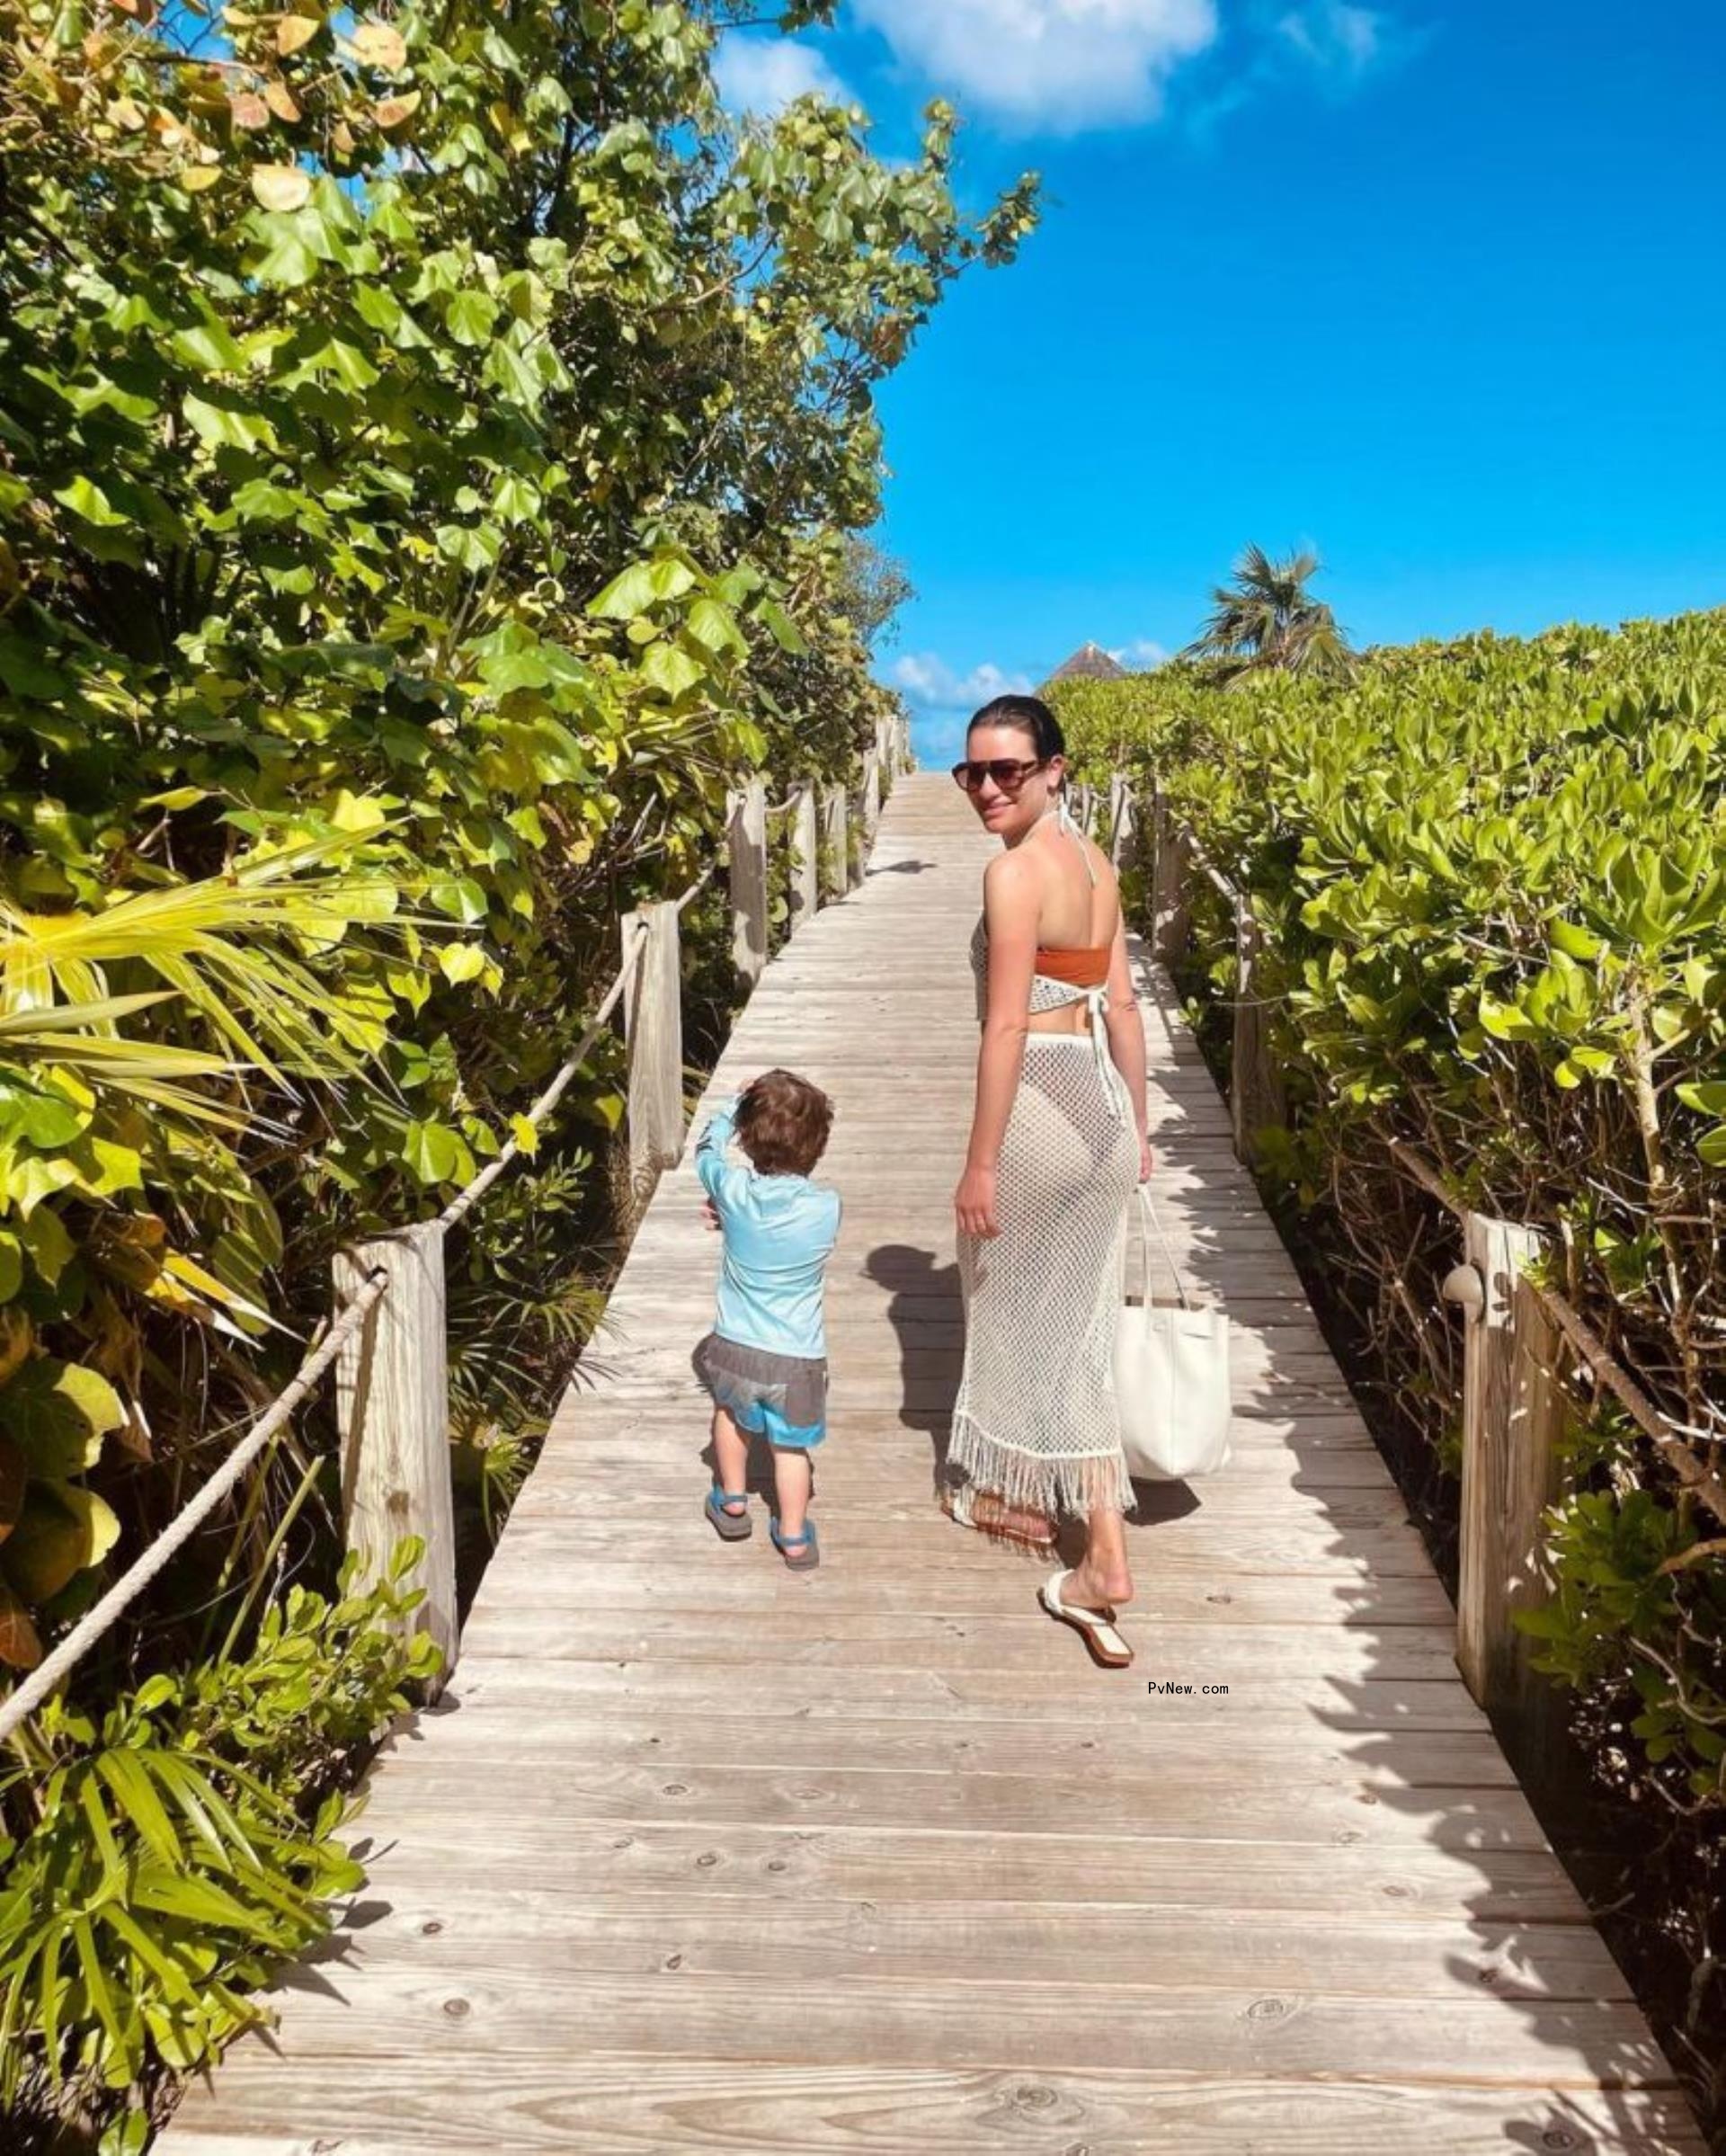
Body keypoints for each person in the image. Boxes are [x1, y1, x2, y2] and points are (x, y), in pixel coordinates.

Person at [948, 693, 1152, 1668]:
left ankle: (1033, 1505)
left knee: (1009, 1305)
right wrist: (1138, 1130)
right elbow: (1121, 1008)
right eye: (971, 772)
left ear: (1054, 770)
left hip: (1036, 1104)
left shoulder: (1014, 873)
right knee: (1077, 1325)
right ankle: (1093, 1542)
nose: (987, 788)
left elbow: (1004, 1027)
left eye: (1008, 771)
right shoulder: (1099, 869)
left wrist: (981, 1161)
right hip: (1101, 1107)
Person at [692, 1068, 841, 1571]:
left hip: (733, 1346)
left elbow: (705, 1153)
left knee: (730, 1417)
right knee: (791, 1448)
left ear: (749, 1138)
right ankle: (795, 1536)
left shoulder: (731, 1189)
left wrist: (731, 1110)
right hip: (797, 1357)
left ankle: (732, 1501)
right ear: (817, 1146)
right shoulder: (827, 1206)